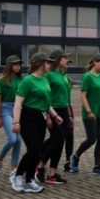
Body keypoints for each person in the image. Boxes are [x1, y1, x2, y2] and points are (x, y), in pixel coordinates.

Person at [11, 53, 55, 193]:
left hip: (40, 118)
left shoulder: (45, 80)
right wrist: (16, 122)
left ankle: (29, 180)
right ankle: (17, 176)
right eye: (47, 62)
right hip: (28, 117)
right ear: (40, 63)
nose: (50, 65)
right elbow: (18, 102)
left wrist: (54, 115)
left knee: (37, 152)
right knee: (33, 149)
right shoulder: (27, 81)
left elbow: (46, 103)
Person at [72, 54, 100, 176]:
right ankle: (76, 156)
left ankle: (97, 166)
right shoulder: (87, 76)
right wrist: (89, 111)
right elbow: (83, 95)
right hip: (90, 112)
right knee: (92, 139)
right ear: (94, 62)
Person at [41, 49, 72, 186]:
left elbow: (67, 97)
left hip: (64, 110)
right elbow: (46, 96)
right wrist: (47, 116)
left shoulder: (64, 75)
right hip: (53, 110)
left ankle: (52, 173)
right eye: (65, 58)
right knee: (57, 138)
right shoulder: (49, 76)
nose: (67, 60)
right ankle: (40, 165)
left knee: (60, 141)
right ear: (58, 59)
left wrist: (69, 115)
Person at [0, 55, 23, 175]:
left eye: (19, 64)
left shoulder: (22, 80)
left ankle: (13, 167)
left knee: (18, 140)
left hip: (18, 109)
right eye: (15, 64)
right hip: (6, 109)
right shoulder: (2, 80)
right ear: (9, 66)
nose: (18, 66)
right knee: (12, 139)